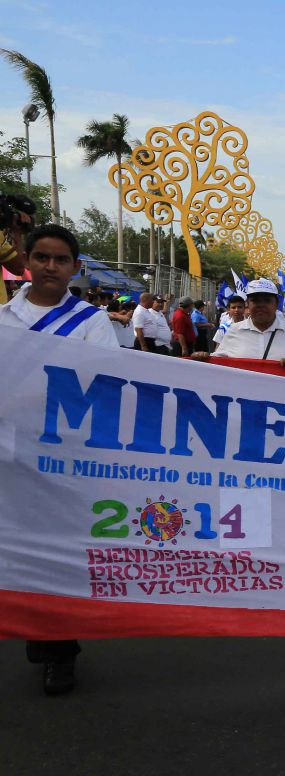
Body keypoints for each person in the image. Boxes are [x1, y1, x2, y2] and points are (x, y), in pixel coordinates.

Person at [0, 223, 118, 695]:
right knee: (18, 547)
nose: (51, 267)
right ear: (27, 260)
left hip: (66, 457)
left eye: (61, 259)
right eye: (43, 257)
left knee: (59, 552)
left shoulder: (90, 322)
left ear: (75, 267)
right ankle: (37, 627)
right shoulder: (4, 319)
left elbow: (105, 382)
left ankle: (60, 649)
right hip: (9, 455)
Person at [194, 279, 285, 366]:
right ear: (248, 304)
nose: (261, 305)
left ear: (276, 304)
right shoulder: (234, 331)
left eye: (267, 300)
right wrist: (204, 358)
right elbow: (218, 361)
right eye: (255, 301)